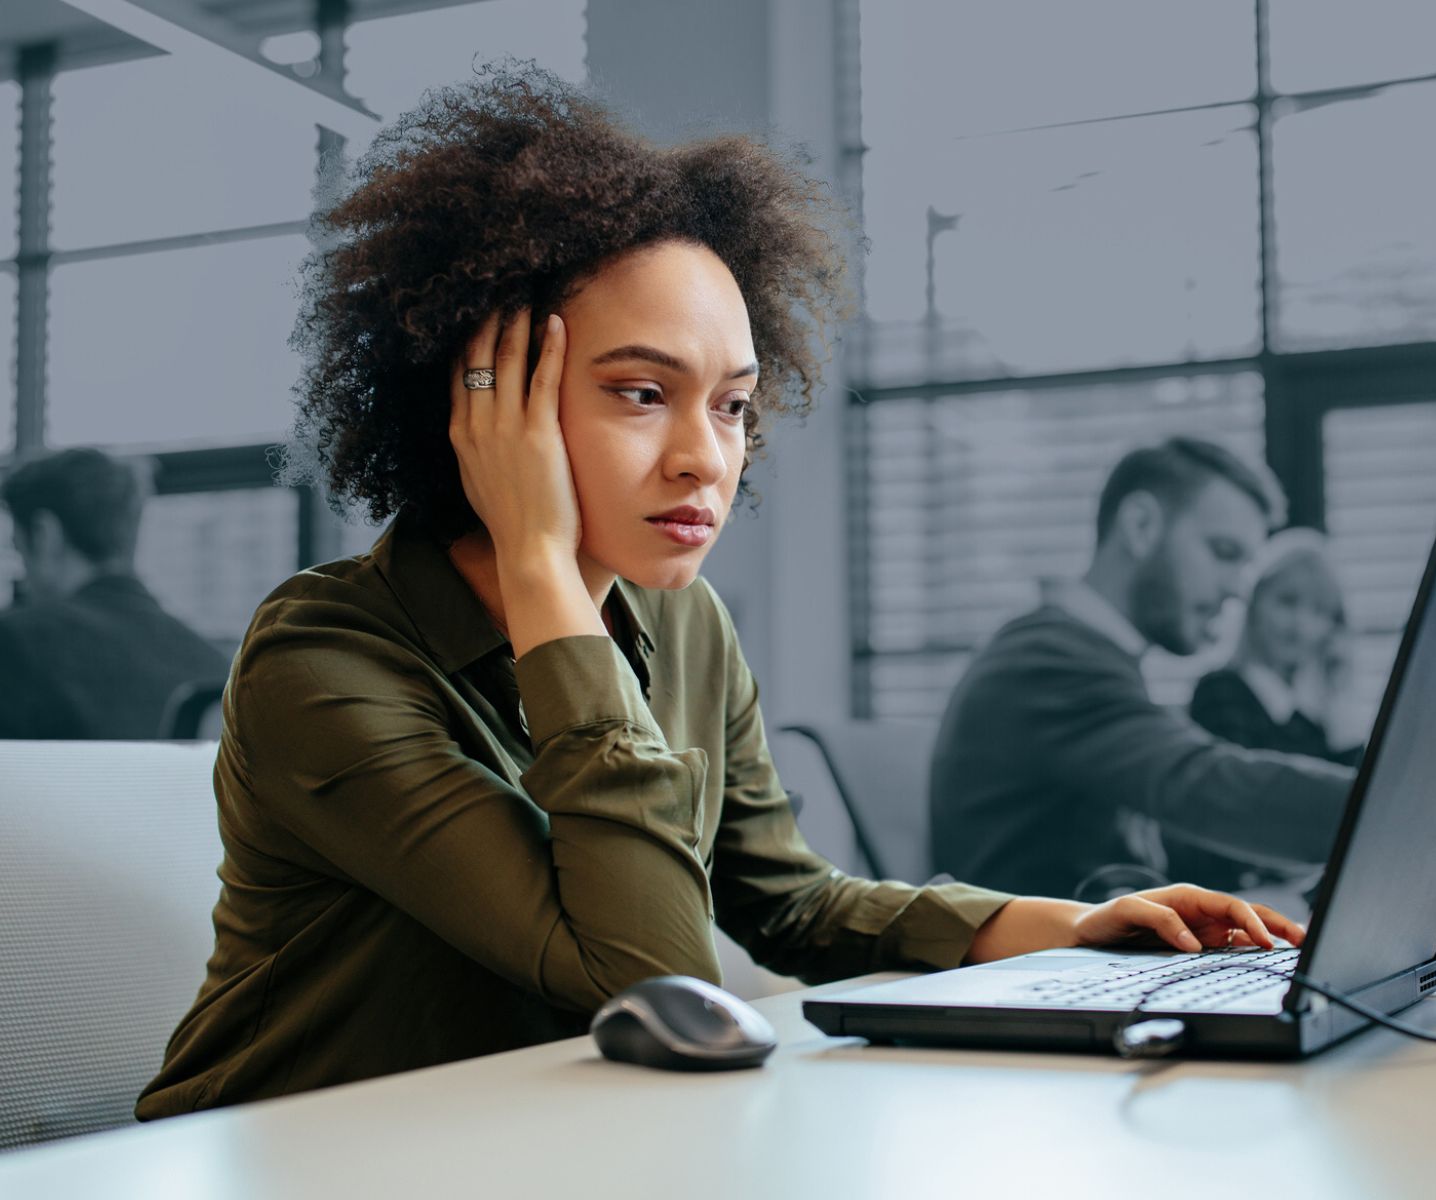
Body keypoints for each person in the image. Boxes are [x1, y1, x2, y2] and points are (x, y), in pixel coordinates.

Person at [136, 66, 1301, 1120]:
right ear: (484, 398)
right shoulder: (319, 663)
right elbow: (653, 978)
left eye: (733, 405)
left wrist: (1066, 928)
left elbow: (788, 903)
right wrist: (540, 566)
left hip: (535, 1141)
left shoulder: (682, 621)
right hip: (290, 1159)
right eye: (642, 393)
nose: (707, 458)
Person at [929, 437, 1355, 900]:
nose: (1238, 589)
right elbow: (1203, 784)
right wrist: (1388, 804)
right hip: (1039, 943)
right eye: (1223, 552)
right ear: (1141, 526)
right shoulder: (1047, 661)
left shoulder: (1092, 656)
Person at [0, 447, 229, 739]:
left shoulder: (12, 644)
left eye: (18, 550)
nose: (23, 581)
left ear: (45, 535)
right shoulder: (217, 667)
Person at [1190, 528, 1365, 767]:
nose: (1300, 625)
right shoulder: (1220, 694)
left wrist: (1337, 696)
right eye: (1287, 601)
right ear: (1255, 602)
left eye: (1319, 611)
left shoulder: (1314, 718)